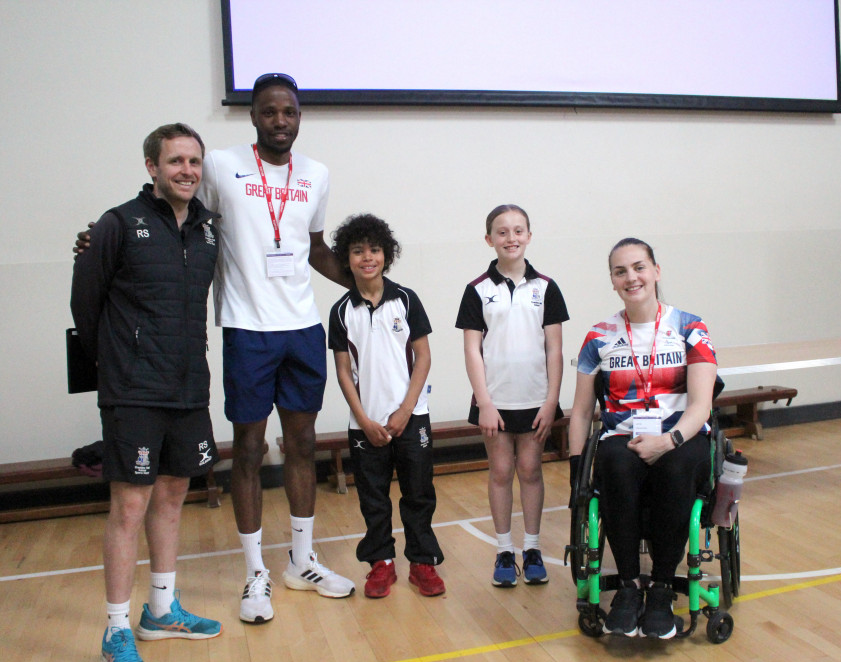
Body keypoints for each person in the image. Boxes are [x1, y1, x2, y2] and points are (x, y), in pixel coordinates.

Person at [76, 73, 356, 624]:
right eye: (270, 112)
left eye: (290, 112)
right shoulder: (221, 167)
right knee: (248, 450)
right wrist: (100, 238)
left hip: (301, 328)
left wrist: (366, 284)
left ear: (300, 118)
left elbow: (316, 248)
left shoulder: (317, 174)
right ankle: (255, 572)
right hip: (246, 329)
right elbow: (172, 210)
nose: (281, 120)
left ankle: (302, 560)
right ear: (252, 116)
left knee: (303, 444)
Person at [71, 123, 222, 662]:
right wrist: (117, 364)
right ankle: (115, 632)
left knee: (174, 495)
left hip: (188, 387)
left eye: (194, 161)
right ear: (151, 167)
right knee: (129, 508)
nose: (187, 170)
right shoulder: (116, 225)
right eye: (175, 160)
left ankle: (161, 610)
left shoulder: (208, 231)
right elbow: (86, 305)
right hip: (133, 391)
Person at [567, 237, 717, 639]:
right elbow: (581, 412)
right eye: (621, 271)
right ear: (613, 281)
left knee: (679, 464)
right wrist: (576, 467)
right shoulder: (598, 336)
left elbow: (701, 406)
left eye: (638, 267)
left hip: (680, 435)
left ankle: (664, 587)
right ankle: (630, 587)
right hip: (624, 435)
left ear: (656, 272)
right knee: (614, 462)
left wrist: (668, 442)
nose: (631, 277)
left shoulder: (690, 327)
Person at [327, 214, 445, 598]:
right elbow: (344, 372)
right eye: (358, 250)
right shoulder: (341, 311)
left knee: (418, 493)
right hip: (366, 425)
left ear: (386, 254)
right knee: (373, 498)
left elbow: (423, 358)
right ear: (347, 258)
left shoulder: (407, 299)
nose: (367, 257)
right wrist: (364, 419)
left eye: (374, 249)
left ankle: (423, 562)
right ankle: (382, 563)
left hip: (412, 419)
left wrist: (405, 411)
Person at [455, 204, 568, 588]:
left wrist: (552, 400)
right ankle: (504, 550)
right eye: (502, 232)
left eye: (518, 230)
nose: (511, 238)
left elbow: (554, 348)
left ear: (529, 236)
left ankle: (532, 548)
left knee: (531, 471)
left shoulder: (546, 288)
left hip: (536, 400)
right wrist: (483, 401)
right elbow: (473, 350)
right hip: (495, 403)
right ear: (489, 240)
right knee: (501, 472)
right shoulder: (477, 290)